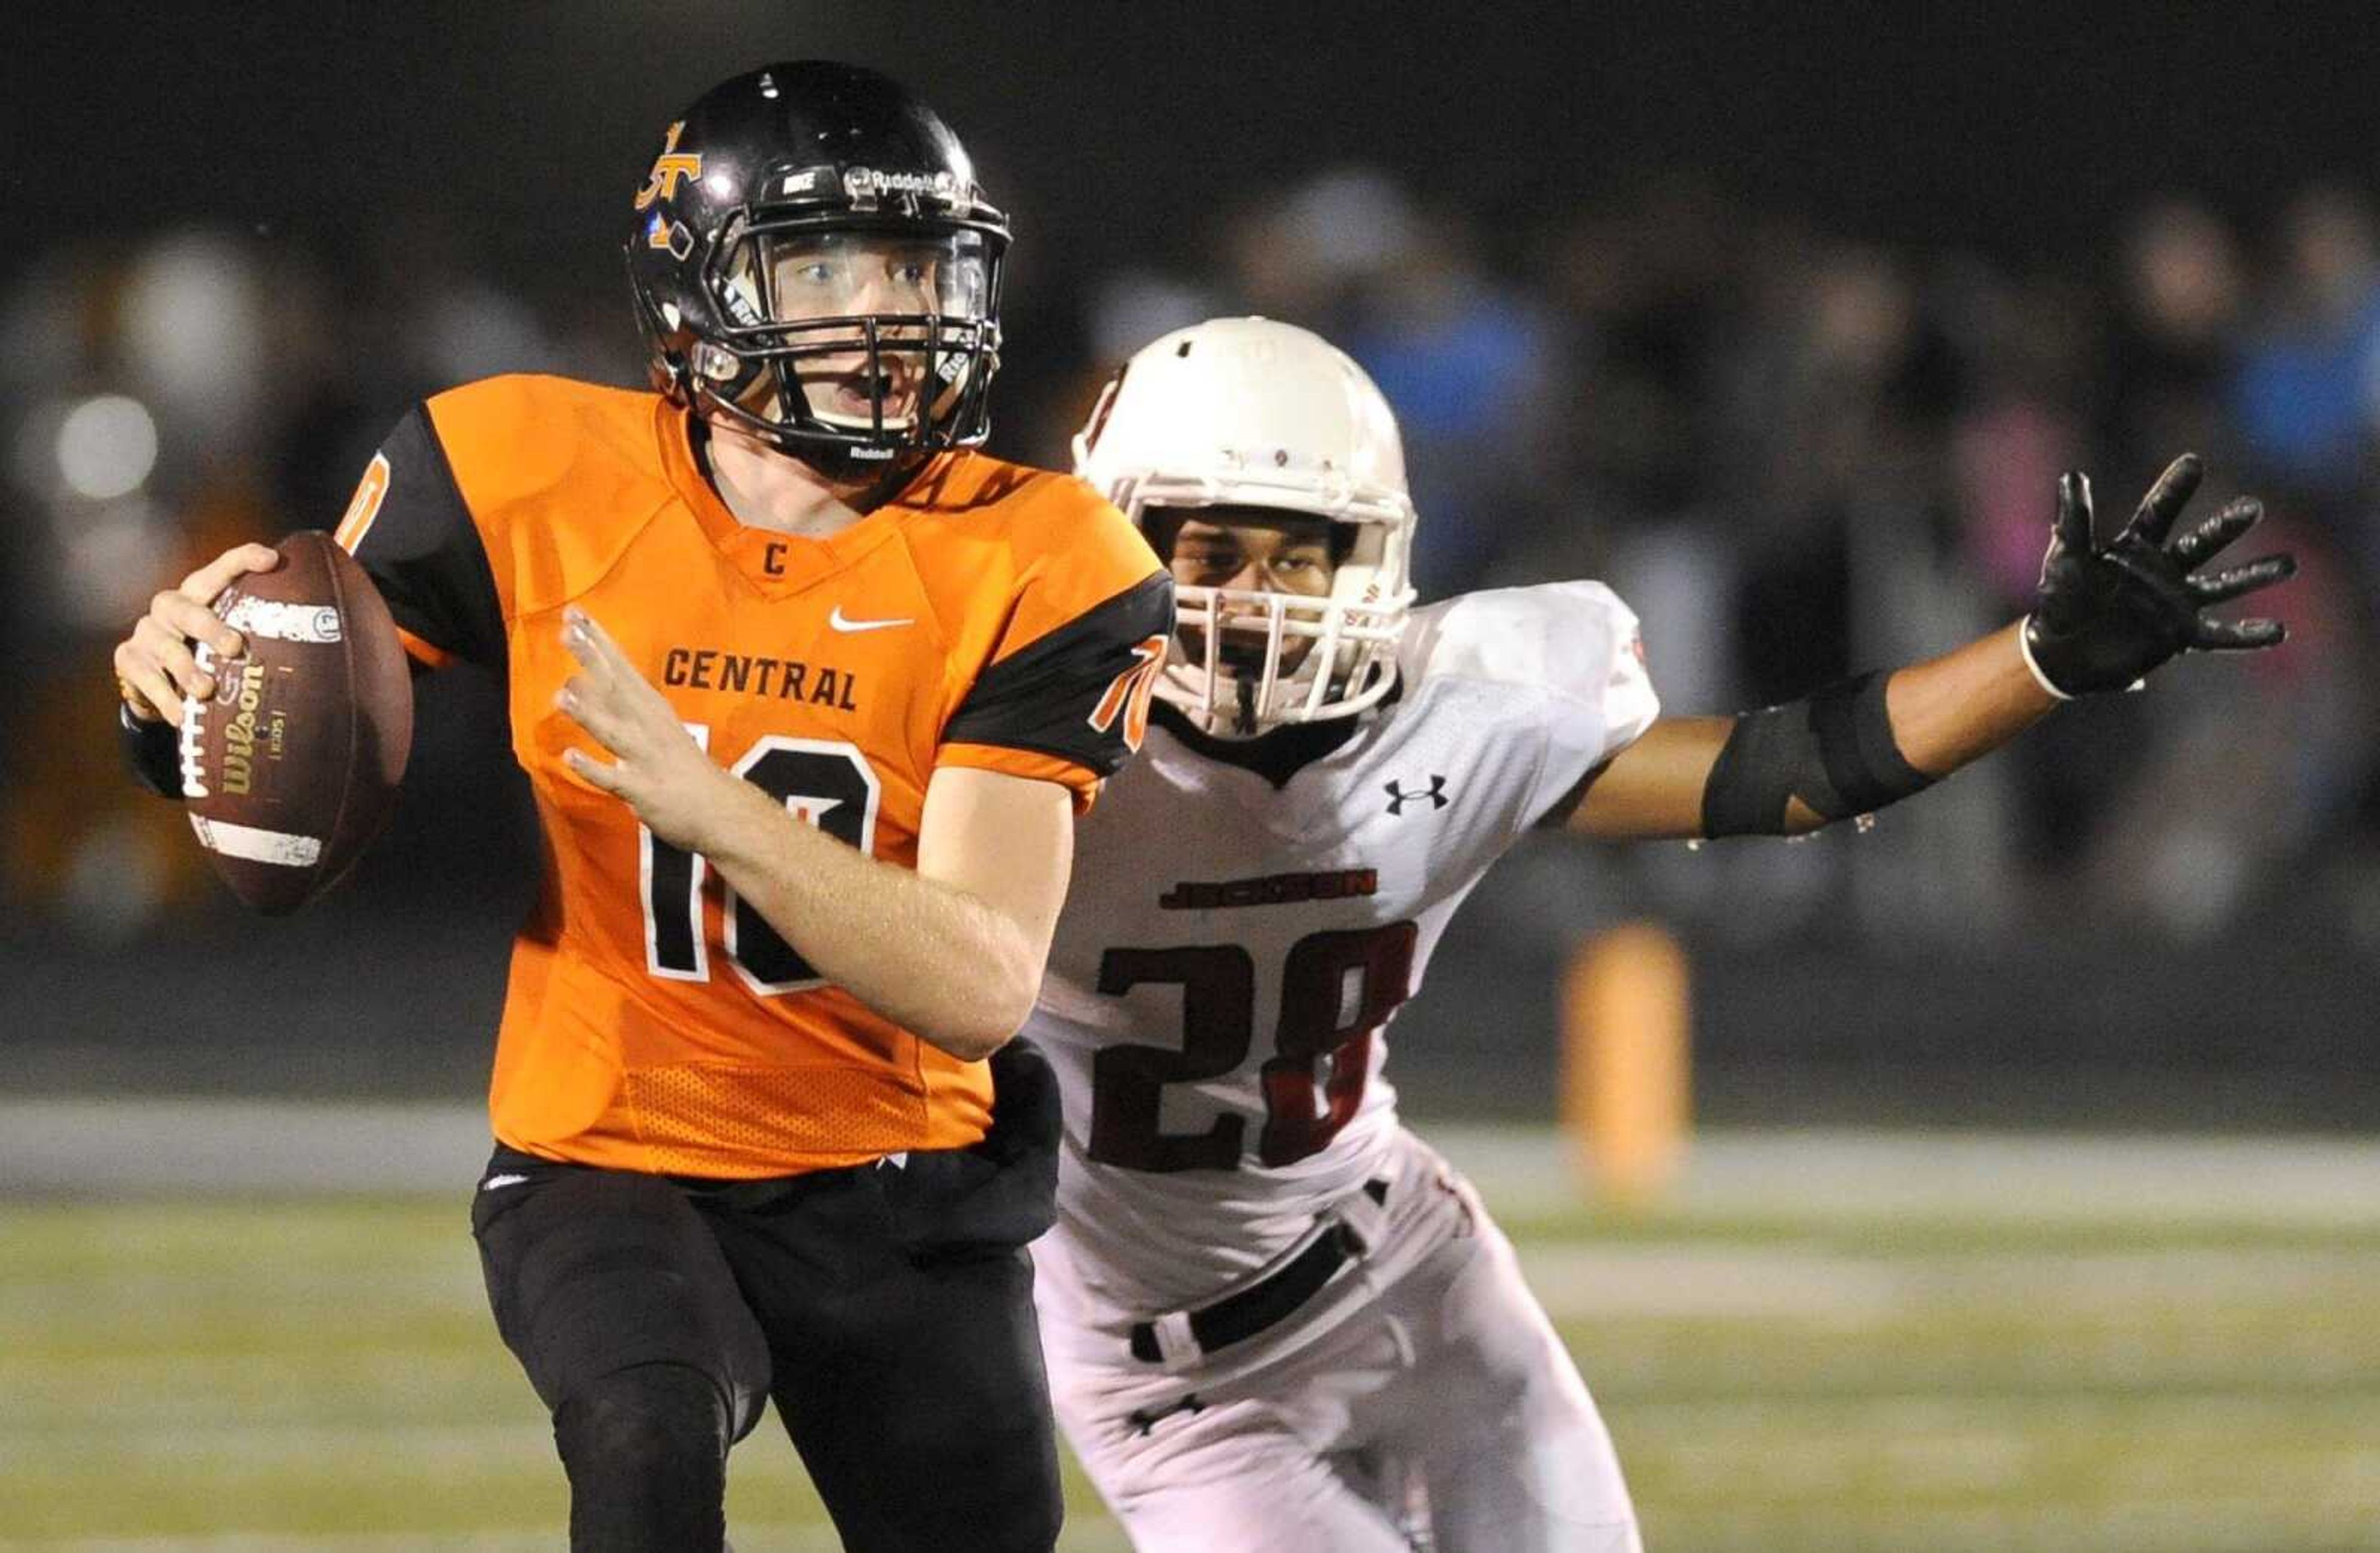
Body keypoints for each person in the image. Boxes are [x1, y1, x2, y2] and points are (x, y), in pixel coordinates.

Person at [110, 61, 1172, 1553]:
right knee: (643, 1433)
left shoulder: (1047, 555)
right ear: (696, 290)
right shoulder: (519, 470)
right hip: (613, 1144)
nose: (887, 313)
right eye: (820, 264)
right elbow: (286, 714)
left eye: (914, 264)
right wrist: (180, 695)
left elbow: (980, 985)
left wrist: (709, 801)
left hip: (899, 1170)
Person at [1027, 316, 2293, 1552]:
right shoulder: (1017, 759)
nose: (1255, 599)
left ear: (1370, 560)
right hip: (1174, 1389)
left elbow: (1781, 768)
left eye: (1298, 554)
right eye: (1210, 548)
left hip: (1415, 1266)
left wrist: (2041, 662)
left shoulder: (1459, 709)